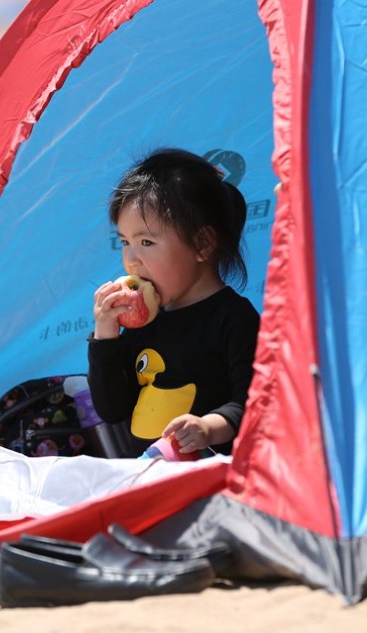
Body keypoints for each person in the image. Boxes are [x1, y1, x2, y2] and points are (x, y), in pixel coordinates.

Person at [87, 148, 260, 458]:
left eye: (147, 242)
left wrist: (208, 427)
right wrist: (105, 337)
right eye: (125, 242)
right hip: (146, 476)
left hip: (209, 478)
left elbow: (253, 401)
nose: (131, 259)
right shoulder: (145, 322)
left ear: (201, 244)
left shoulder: (234, 318)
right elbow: (112, 409)